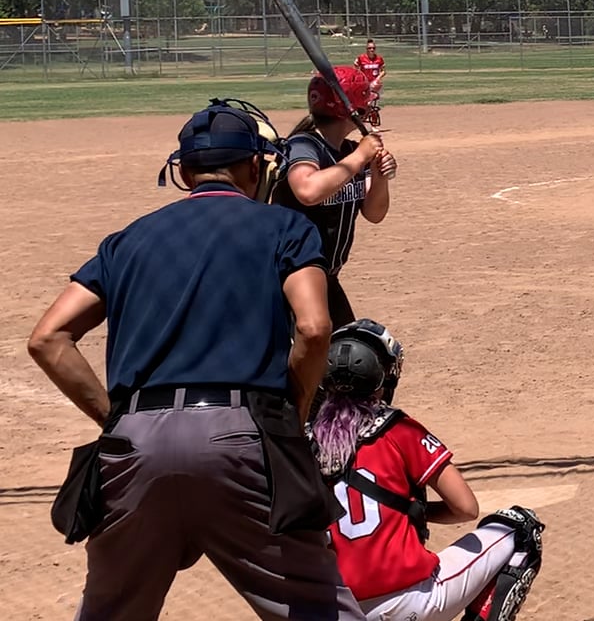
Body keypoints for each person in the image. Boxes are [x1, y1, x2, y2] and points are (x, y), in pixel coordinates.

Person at [26, 100, 362, 620]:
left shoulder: (126, 240)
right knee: (315, 609)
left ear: (183, 172)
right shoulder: (286, 229)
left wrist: (114, 419)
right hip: (242, 438)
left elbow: (48, 338)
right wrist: (290, 417)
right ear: (255, 168)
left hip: (135, 445)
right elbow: (315, 328)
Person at [311, 320, 544, 620]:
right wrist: (414, 509)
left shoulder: (304, 441)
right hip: (412, 601)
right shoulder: (399, 429)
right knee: (520, 527)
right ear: (384, 375)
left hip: (336, 609)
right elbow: (465, 508)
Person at [273, 67, 396, 327]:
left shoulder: (349, 151)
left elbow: (375, 214)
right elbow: (307, 191)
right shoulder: (303, 145)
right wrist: (360, 157)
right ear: (351, 110)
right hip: (292, 276)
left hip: (327, 276)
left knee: (348, 347)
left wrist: (379, 175)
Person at [355, 40, 386, 126]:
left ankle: (373, 124)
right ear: (366, 49)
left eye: (373, 48)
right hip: (364, 84)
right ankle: (362, 121)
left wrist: (378, 79)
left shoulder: (379, 59)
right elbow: (356, 69)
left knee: (373, 105)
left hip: (375, 84)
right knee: (366, 104)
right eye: (369, 48)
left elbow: (383, 71)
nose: (371, 50)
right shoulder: (361, 58)